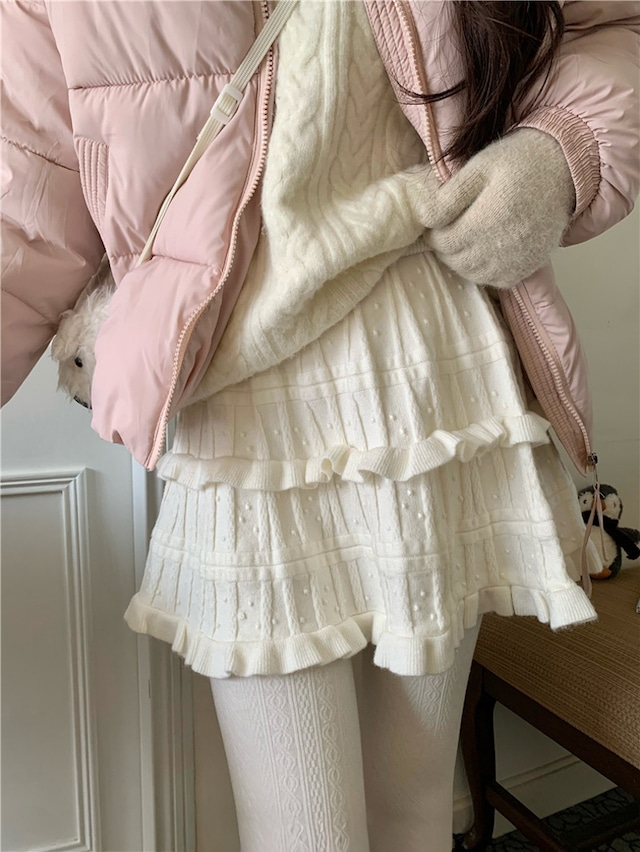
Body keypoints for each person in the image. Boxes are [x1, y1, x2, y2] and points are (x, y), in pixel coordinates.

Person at [2, 2, 639, 849]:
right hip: (245, 405)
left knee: (415, 810)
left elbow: (612, 27)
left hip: (435, 370)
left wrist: (562, 151)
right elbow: (23, 185)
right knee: (302, 832)